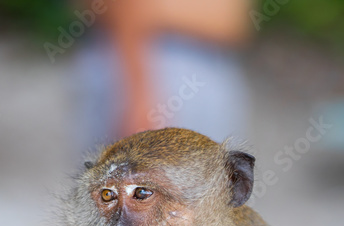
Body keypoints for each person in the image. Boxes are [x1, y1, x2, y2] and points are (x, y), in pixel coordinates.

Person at [72, 0, 253, 151]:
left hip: (209, 74)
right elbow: (127, 8)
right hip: (149, 74)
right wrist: (137, 95)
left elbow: (233, 21)